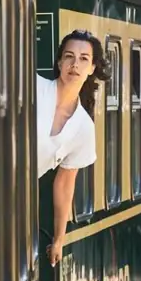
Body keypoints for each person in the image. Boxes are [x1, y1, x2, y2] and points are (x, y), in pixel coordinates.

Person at [39, 30, 108, 267]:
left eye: (83, 59)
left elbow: (65, 184)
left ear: (92, 68)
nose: (74, 64)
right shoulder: (32, 88)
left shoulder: (83, 127)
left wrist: (59, 239)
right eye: (69, 56)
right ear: (59, 63)